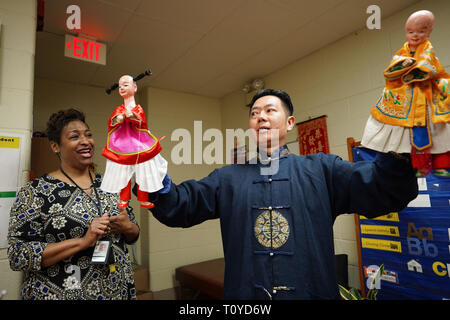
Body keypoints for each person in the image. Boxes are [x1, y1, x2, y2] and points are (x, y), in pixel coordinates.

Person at [142, 89, 419, 299]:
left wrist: (399, 140)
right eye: (254, 113)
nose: (260, 116)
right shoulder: (227, 178)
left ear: (289, 123)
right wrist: (145, 161)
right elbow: (178, 205)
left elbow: (384, 189)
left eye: (270, 110)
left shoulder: (323, 170)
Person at [8, 109, 140, 300]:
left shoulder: (111, 185)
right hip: (63, 293)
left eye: (88, 135)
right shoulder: (35, 191)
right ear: (55, 146)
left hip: (117, 291)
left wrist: (129, 227)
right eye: (74, 136)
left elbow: (134, 234)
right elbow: (18, 255)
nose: (86, 141)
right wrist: (82, 242)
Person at [361, 10, 450, 177]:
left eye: (421, 31)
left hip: (426, 94)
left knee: (438, 132)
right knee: (401, 133)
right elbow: (391, 70)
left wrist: (417, 71)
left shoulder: (428, 50)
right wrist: (404, 65)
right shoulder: (402, 51)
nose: (415, 36)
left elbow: (430, 67)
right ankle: (418, 166)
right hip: (406, 96)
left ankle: (440, 165)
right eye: (410, 32)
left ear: (429, 31)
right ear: (405, 32)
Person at [101, 75, 167, 209]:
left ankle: (143, 199)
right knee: (124, 172)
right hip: (123, 145)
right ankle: (124, 199)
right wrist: (119, 118)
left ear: (135, 87)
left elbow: (141, 122)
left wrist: (130, 115)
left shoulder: (138, 109)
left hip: (139, 144)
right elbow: (112, 122)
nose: (122, 88)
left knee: (144, 172)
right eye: (120, 86)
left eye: (125, 85)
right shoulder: (119, 109)